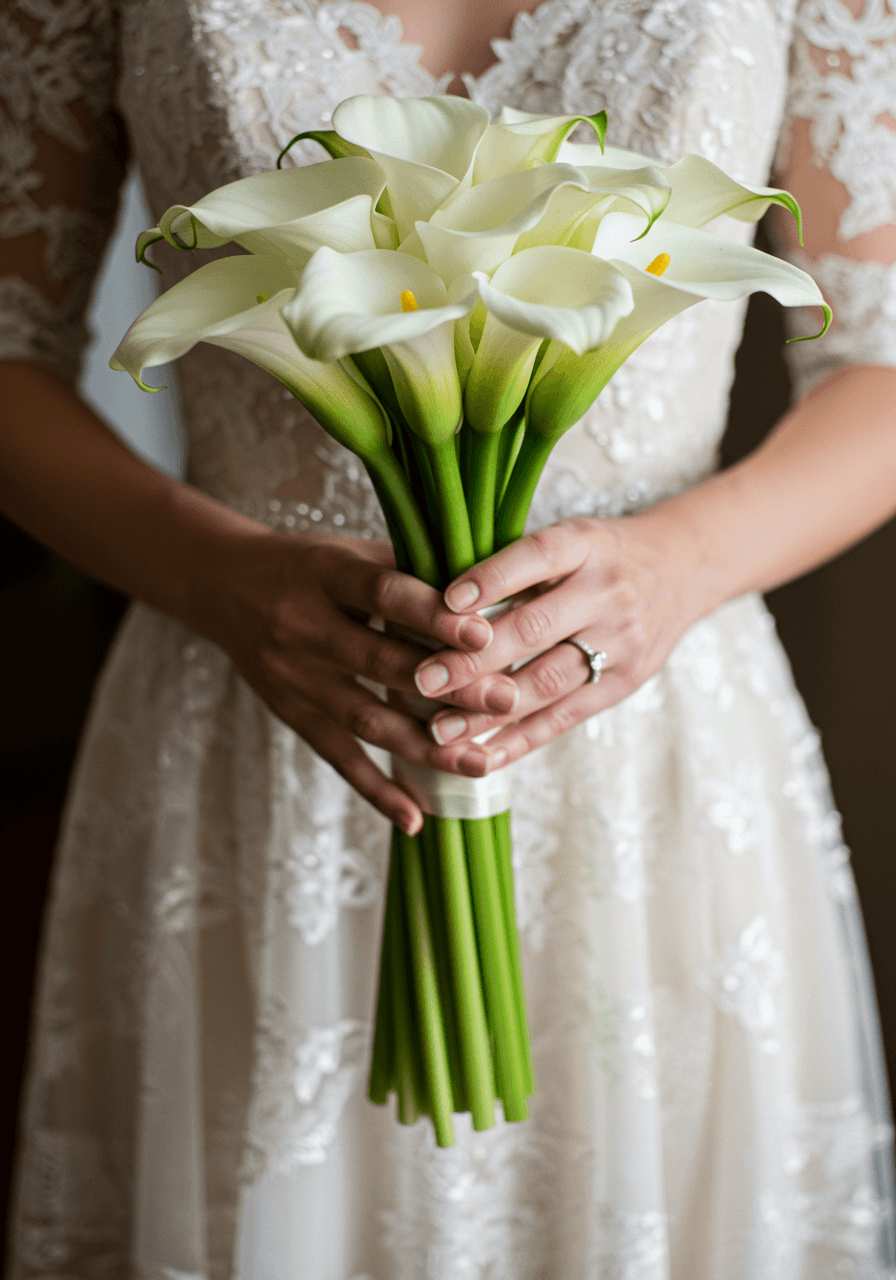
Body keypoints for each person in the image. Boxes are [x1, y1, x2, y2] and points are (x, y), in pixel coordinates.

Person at [2, 0, 896, 1275]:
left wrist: (677, 566)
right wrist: (217, 577)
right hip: (263, 722)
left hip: (649, 752)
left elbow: (879, 354)